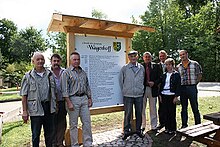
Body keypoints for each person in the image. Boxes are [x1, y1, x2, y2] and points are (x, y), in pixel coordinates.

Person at [20, 52, 57, 147]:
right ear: (33, 62)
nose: (40, 61)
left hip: (48, 107)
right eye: (38, 59)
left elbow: (54, 93)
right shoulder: (28, 77)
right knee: (35, 135)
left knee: (49, 134)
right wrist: (25, 111)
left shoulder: (50, 74)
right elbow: (24, 96)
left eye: (42, 59)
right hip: (35, 109)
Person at [61, 52, 93, 147]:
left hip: (84, 99)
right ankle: (75, 145)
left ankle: (88, 143)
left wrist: (89, 97)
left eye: (78, 59)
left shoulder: (82, 72)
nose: (76, 61)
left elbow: (87, 86)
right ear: (70, 60)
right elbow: (64, 89)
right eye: (74, 59)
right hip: (73, 100)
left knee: (87, 122)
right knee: (73, 125)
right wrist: (69, 102)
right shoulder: (66, 73)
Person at [119, 50, 145, 140]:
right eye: (131, 56)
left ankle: (138, 130)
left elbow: (143, 79)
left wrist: (141, 89)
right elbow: (121, 81)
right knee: (128, 113)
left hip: (139, 95)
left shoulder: (141, 67)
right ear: (128, 58)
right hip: (128, 95)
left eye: (135, 56)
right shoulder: (124, 68)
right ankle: (126, 130)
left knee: (139, 113)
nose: (133, 58)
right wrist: (125, 90)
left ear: (137, 57)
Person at [177, 50, 202, 128]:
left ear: (187, 54)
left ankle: (198, 124)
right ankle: (184, 125)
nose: (182, 56)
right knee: (184, 108)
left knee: (195, 107)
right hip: (182, 89)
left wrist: (195, 83)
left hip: (192, 88)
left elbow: (200, 74)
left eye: (183, 54)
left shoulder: (195, 64)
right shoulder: (178, 66)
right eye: (180, 55)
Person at [159, 58, 181, 134]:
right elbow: (161, 85)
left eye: (169, 64)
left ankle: (173, 129)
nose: (168, 66)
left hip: (171, 95)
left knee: (172, 112)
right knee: (165, 112)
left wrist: (176, 97)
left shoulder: (176, 75)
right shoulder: (164, 75)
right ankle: (167, 128)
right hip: (164, 95)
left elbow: (178, 86)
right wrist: (160, 96)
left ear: (172, 65)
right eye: (166, 65)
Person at [142, 52, 161, 132]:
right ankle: (142, 125)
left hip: (153, 89)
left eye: (149, 57)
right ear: (143, 58)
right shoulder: (140, 66)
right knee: (142, 108)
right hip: (143, 89)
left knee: (153, 108)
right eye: (146, 57)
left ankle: (154, 126)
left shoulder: (156, 66)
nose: (147, 58)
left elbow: (160, 77)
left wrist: (154, 83)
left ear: (151, 58)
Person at [51, 54, 66, 147]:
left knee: (62, 122)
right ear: (51, 62)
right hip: (52, 102)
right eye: (54, 61)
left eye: (57, 61)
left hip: (63, 101)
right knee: (52, 123)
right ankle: (53, 143)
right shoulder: (48, 73)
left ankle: (60, 142)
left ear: (60, 61)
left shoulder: (65, 72)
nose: (56, 63)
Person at [157, 50, 168, 130]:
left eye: (163, 56)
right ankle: (161, 122)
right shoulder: (157, 66)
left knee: (169, 107)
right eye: (160, 56)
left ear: (166, 56)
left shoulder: (170, 64)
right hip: (160, 88)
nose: (162, 57)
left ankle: (168, 122)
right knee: (161, 106)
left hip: (169, 89)